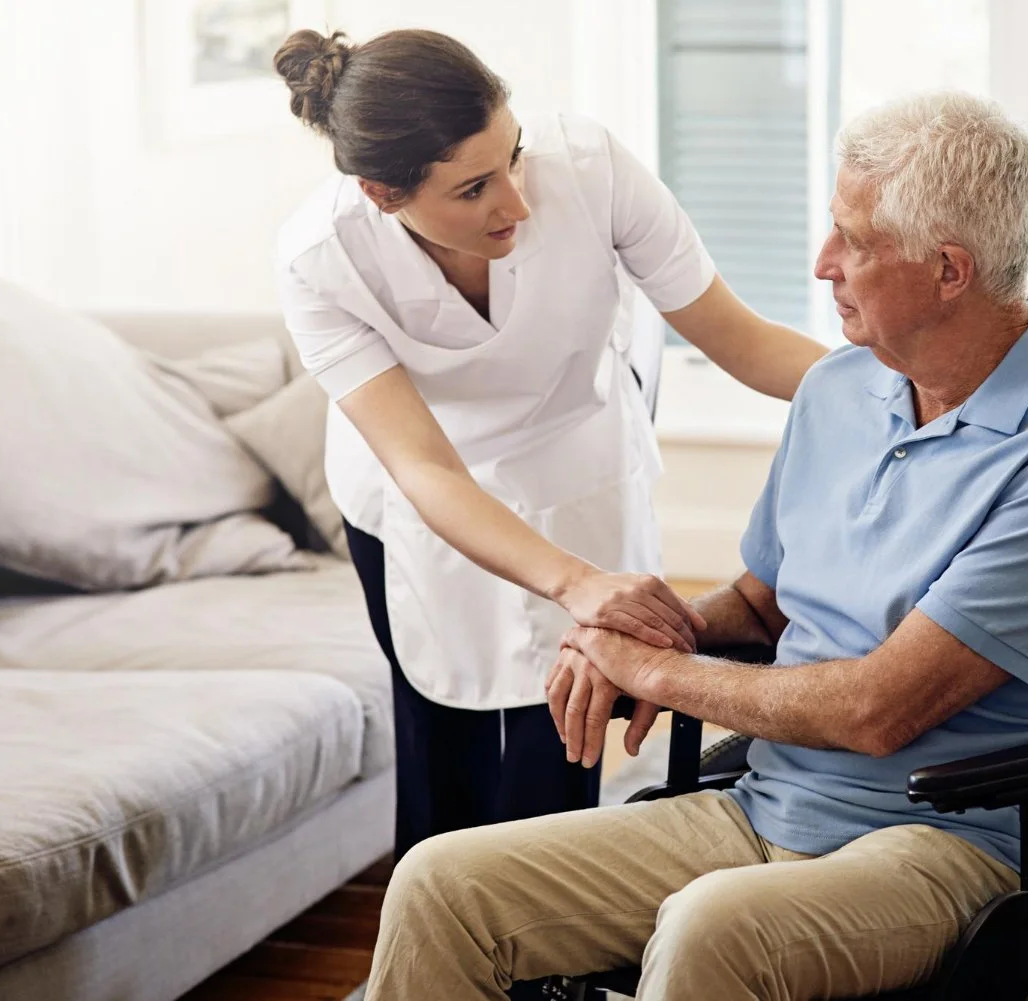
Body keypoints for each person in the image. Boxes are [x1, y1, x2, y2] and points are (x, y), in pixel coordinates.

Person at [365, 91, 1028, 1000]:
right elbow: (757, 606)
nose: (823, 265)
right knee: (442, 884)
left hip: (952, 840)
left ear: (948, 270)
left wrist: (657, 675)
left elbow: (877, 710)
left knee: (713, 926)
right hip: (766, 802)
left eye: (853, 241)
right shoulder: (839, 392)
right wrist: (641, 632)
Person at [272, 27, 829, 859]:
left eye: (515, 156)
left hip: (575, 463)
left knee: (565, 738)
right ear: (385, 195)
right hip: (422, 491)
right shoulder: (322, 261)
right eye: (474, 189)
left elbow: (740, 339)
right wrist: (574, 581)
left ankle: (551, 967)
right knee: (442, 752)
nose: (518, 202)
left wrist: (913, 389)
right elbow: (424, 464)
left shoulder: (593, 169)